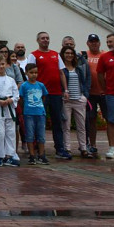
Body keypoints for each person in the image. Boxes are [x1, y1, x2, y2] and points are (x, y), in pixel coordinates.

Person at [25, 31, 69, 159]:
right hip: (39, 94)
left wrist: (65, 90)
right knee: (38, 121)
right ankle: (37, 149)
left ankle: (60, 148)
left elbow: (61, 73)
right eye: (43, 38)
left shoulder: (56, 55)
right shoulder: (34, 55)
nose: (45, 40)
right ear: (38, 40)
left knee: (57, 121)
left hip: (55, 93)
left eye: (47, 38)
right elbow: (29, 73)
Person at [60, 45, 91, 158]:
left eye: (71, 53)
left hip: (79, 99)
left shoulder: (78, 69)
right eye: (67, 53)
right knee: (66, 126)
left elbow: (85, 82)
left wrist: (84, 96)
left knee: (81, 126)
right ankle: (67, 148)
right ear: (63, 55)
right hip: (66, 101)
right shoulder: (61, 70)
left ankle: (83, 148)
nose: (69, 55)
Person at [84, 33, 108, 157]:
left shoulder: (105, 55)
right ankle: (92, 144)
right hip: (90, 94)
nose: (94, 43)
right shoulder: (84, 56)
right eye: (91, 41)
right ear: (88, 43)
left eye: (96, 41)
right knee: (91, 119)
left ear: (99, 43)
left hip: (104, 93)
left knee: (110, 120)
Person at [20, 63, 49, 165]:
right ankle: (32, 155)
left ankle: (41, 155)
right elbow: (21, 98)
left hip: (40, 113)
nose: (34, 75)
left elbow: (44, 97)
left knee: (41, 135)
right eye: (31, 72)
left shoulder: (40, 85)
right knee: (30, 135)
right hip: (28, 113)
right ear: (26, 73)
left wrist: (40, 107)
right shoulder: (24, 86)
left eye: (36, 72)